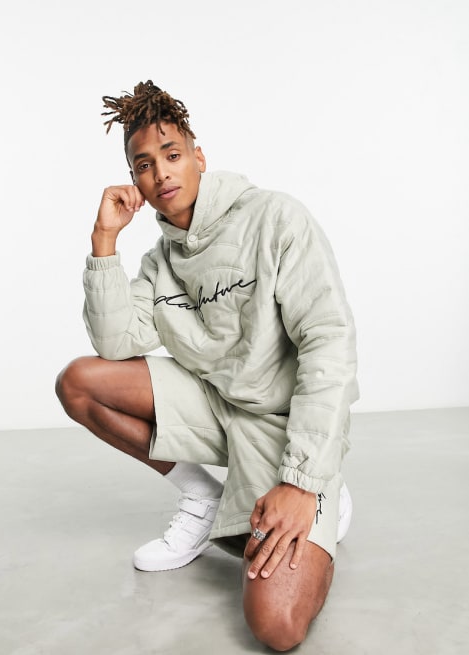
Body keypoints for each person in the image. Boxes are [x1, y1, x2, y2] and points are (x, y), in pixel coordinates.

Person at [56, 80, 358, 651]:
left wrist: (302, 481)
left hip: (282, 429)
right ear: (136, 181)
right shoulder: (160, 261)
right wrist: (104, 241)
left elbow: (329, 345)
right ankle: (203, 498)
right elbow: (115, 342)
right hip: (215, 406)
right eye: (144, 165)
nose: (161, 173)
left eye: (171, 155)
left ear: (198, 156)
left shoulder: (275, 218)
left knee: (276, 625)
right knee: (79, 384)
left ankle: (326, 495)